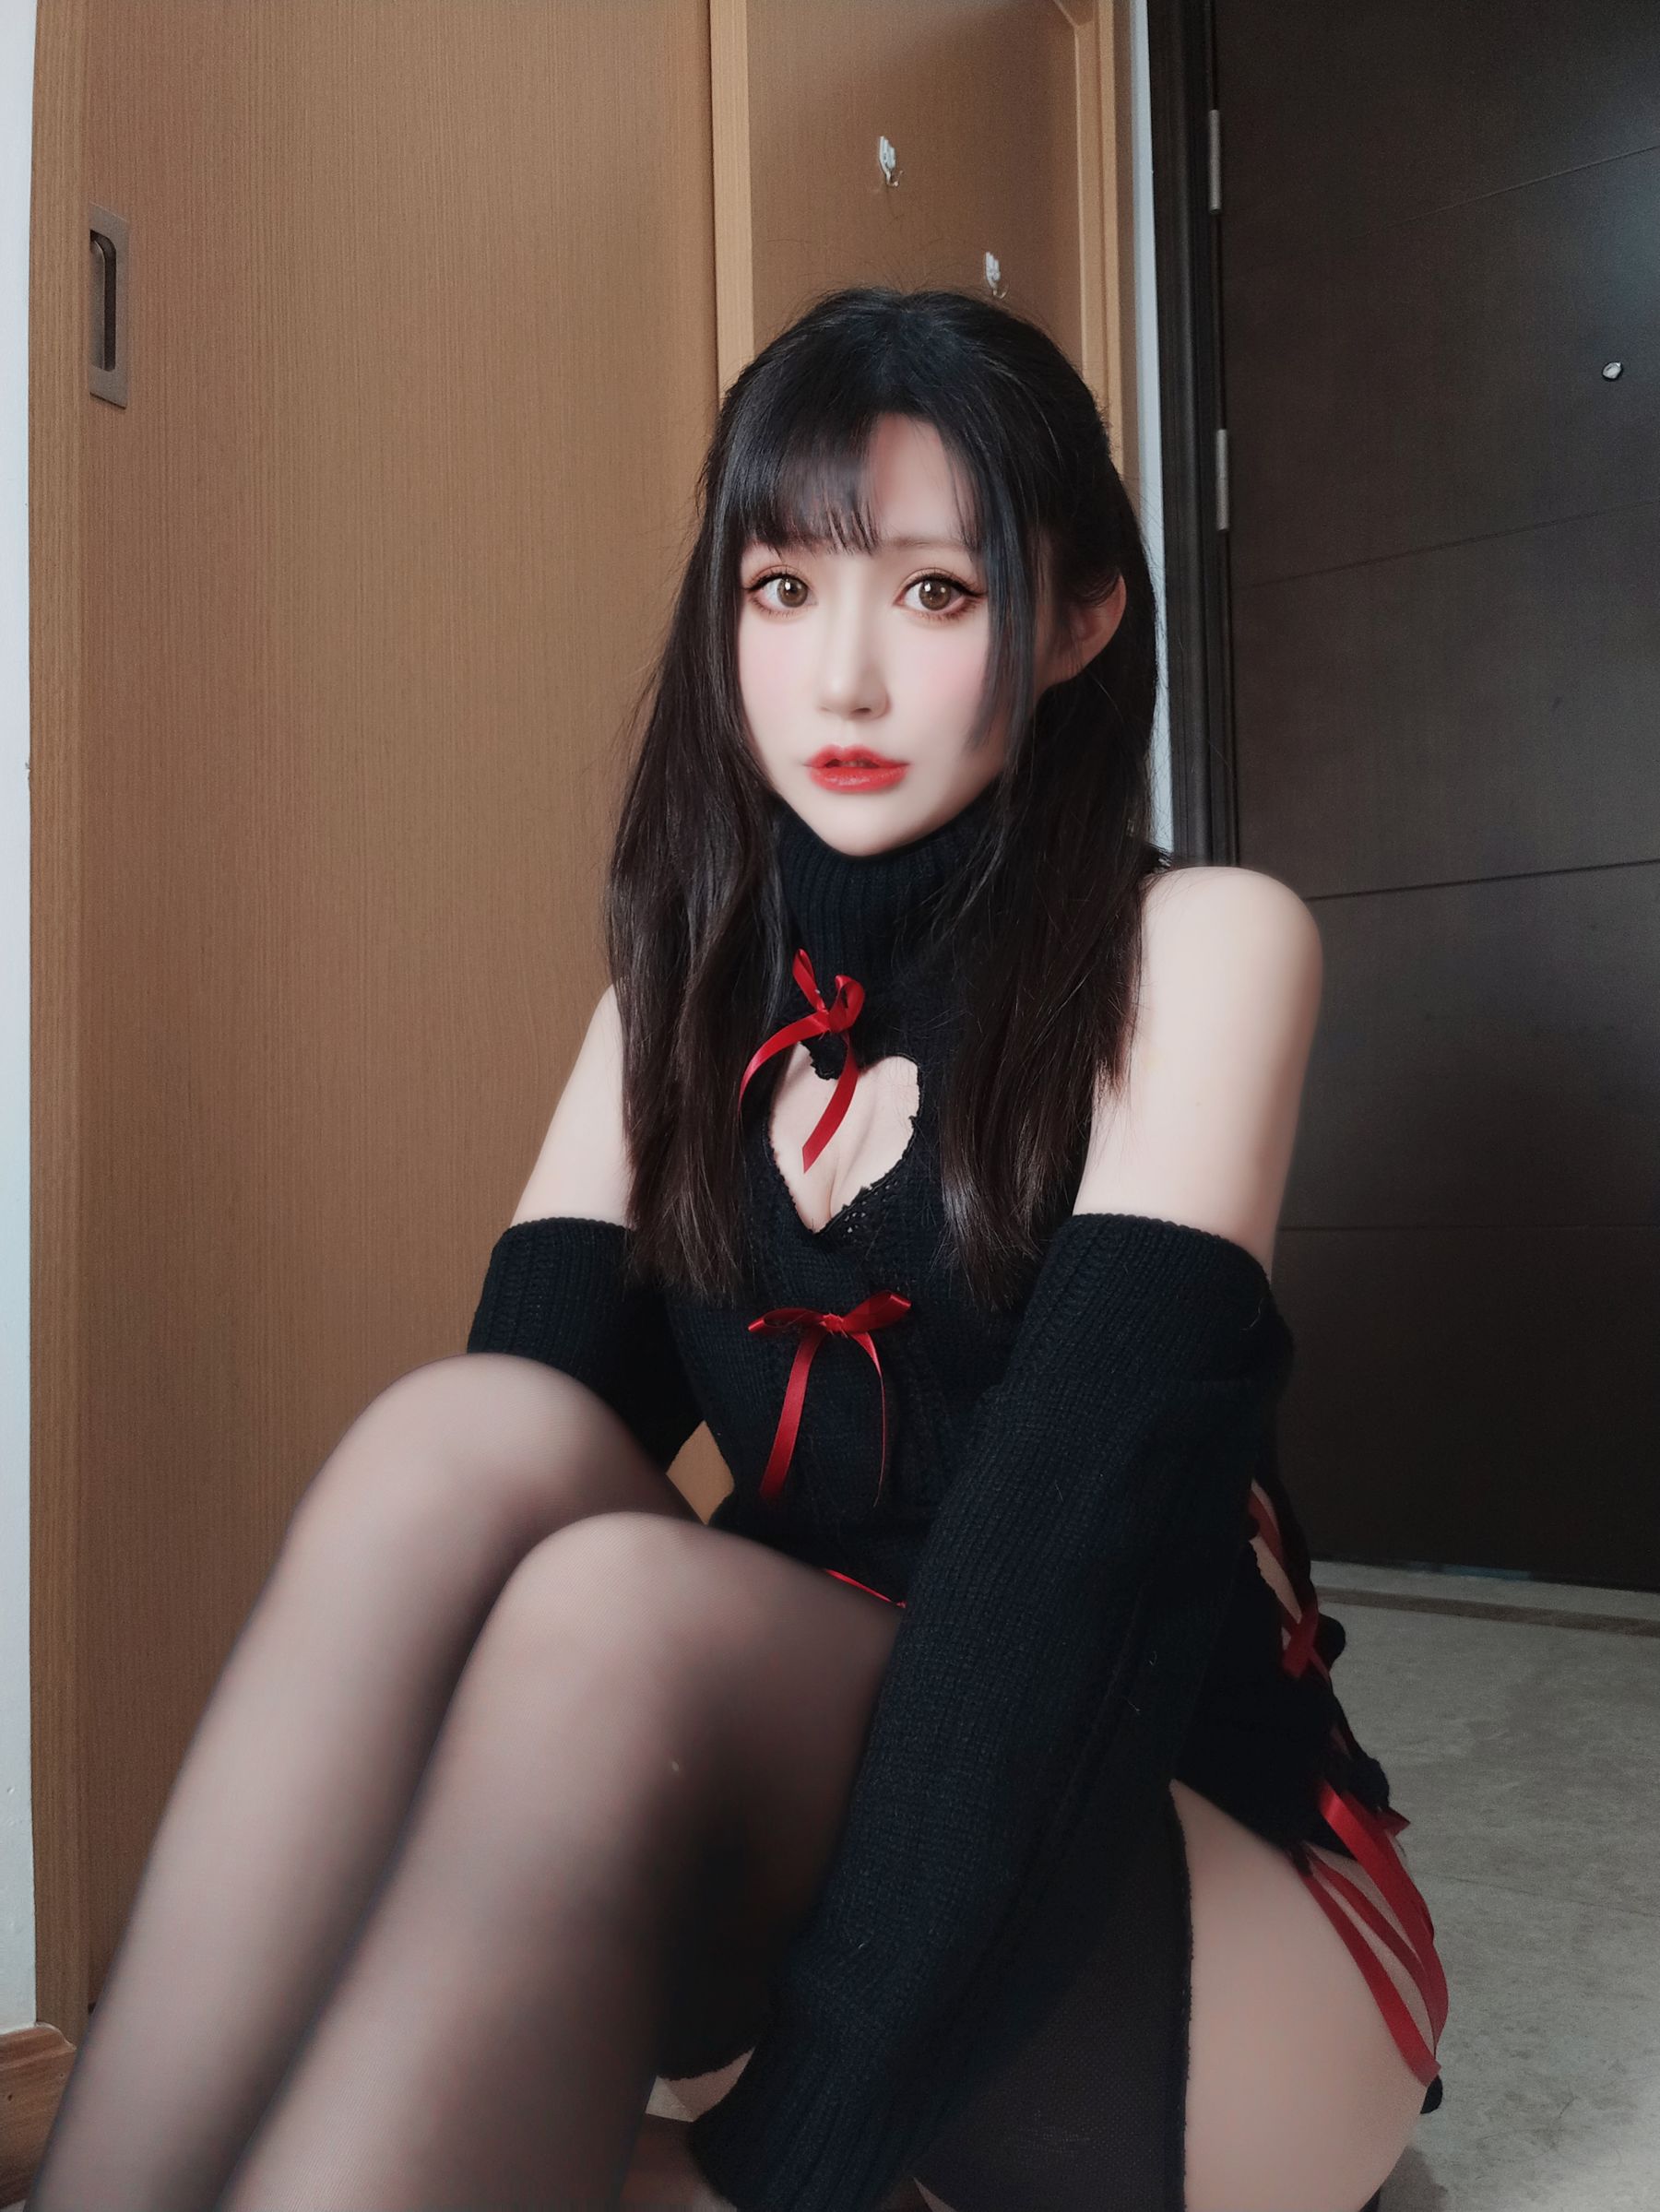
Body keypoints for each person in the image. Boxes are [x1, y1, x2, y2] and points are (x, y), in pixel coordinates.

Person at [27, 286, 1445, 2212]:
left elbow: (1062, 1596)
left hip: (1177, 1922)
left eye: (935, 593)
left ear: (1081, 620)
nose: (842, 680)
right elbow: (481, 1523)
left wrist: (771, 2176)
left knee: (620, 1609)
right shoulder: (680, 998)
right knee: (460, 1447)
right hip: (811, 1863)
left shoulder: (1197, 952)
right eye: (783, 589)